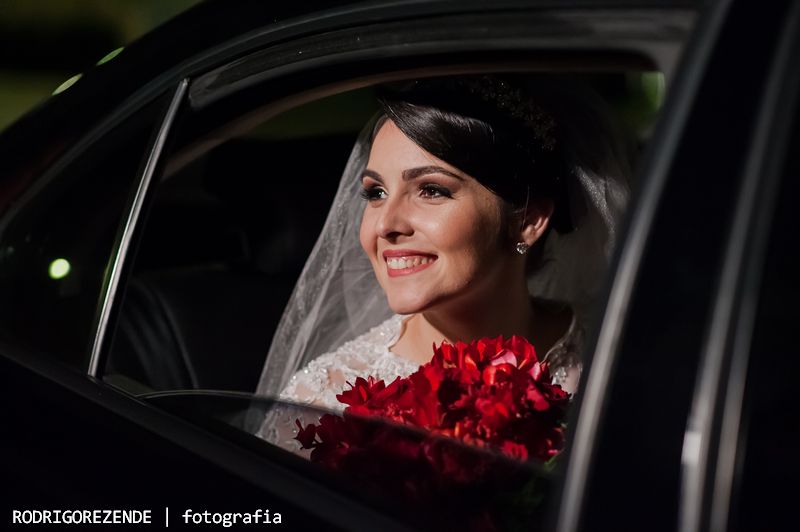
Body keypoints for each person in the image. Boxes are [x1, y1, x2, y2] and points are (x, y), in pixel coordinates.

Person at [255, 75, 630, 446]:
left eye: (431, 190)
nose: (385, 224)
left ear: (527, 220)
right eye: (376, 193)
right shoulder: (323, 404)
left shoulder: (616, 359)